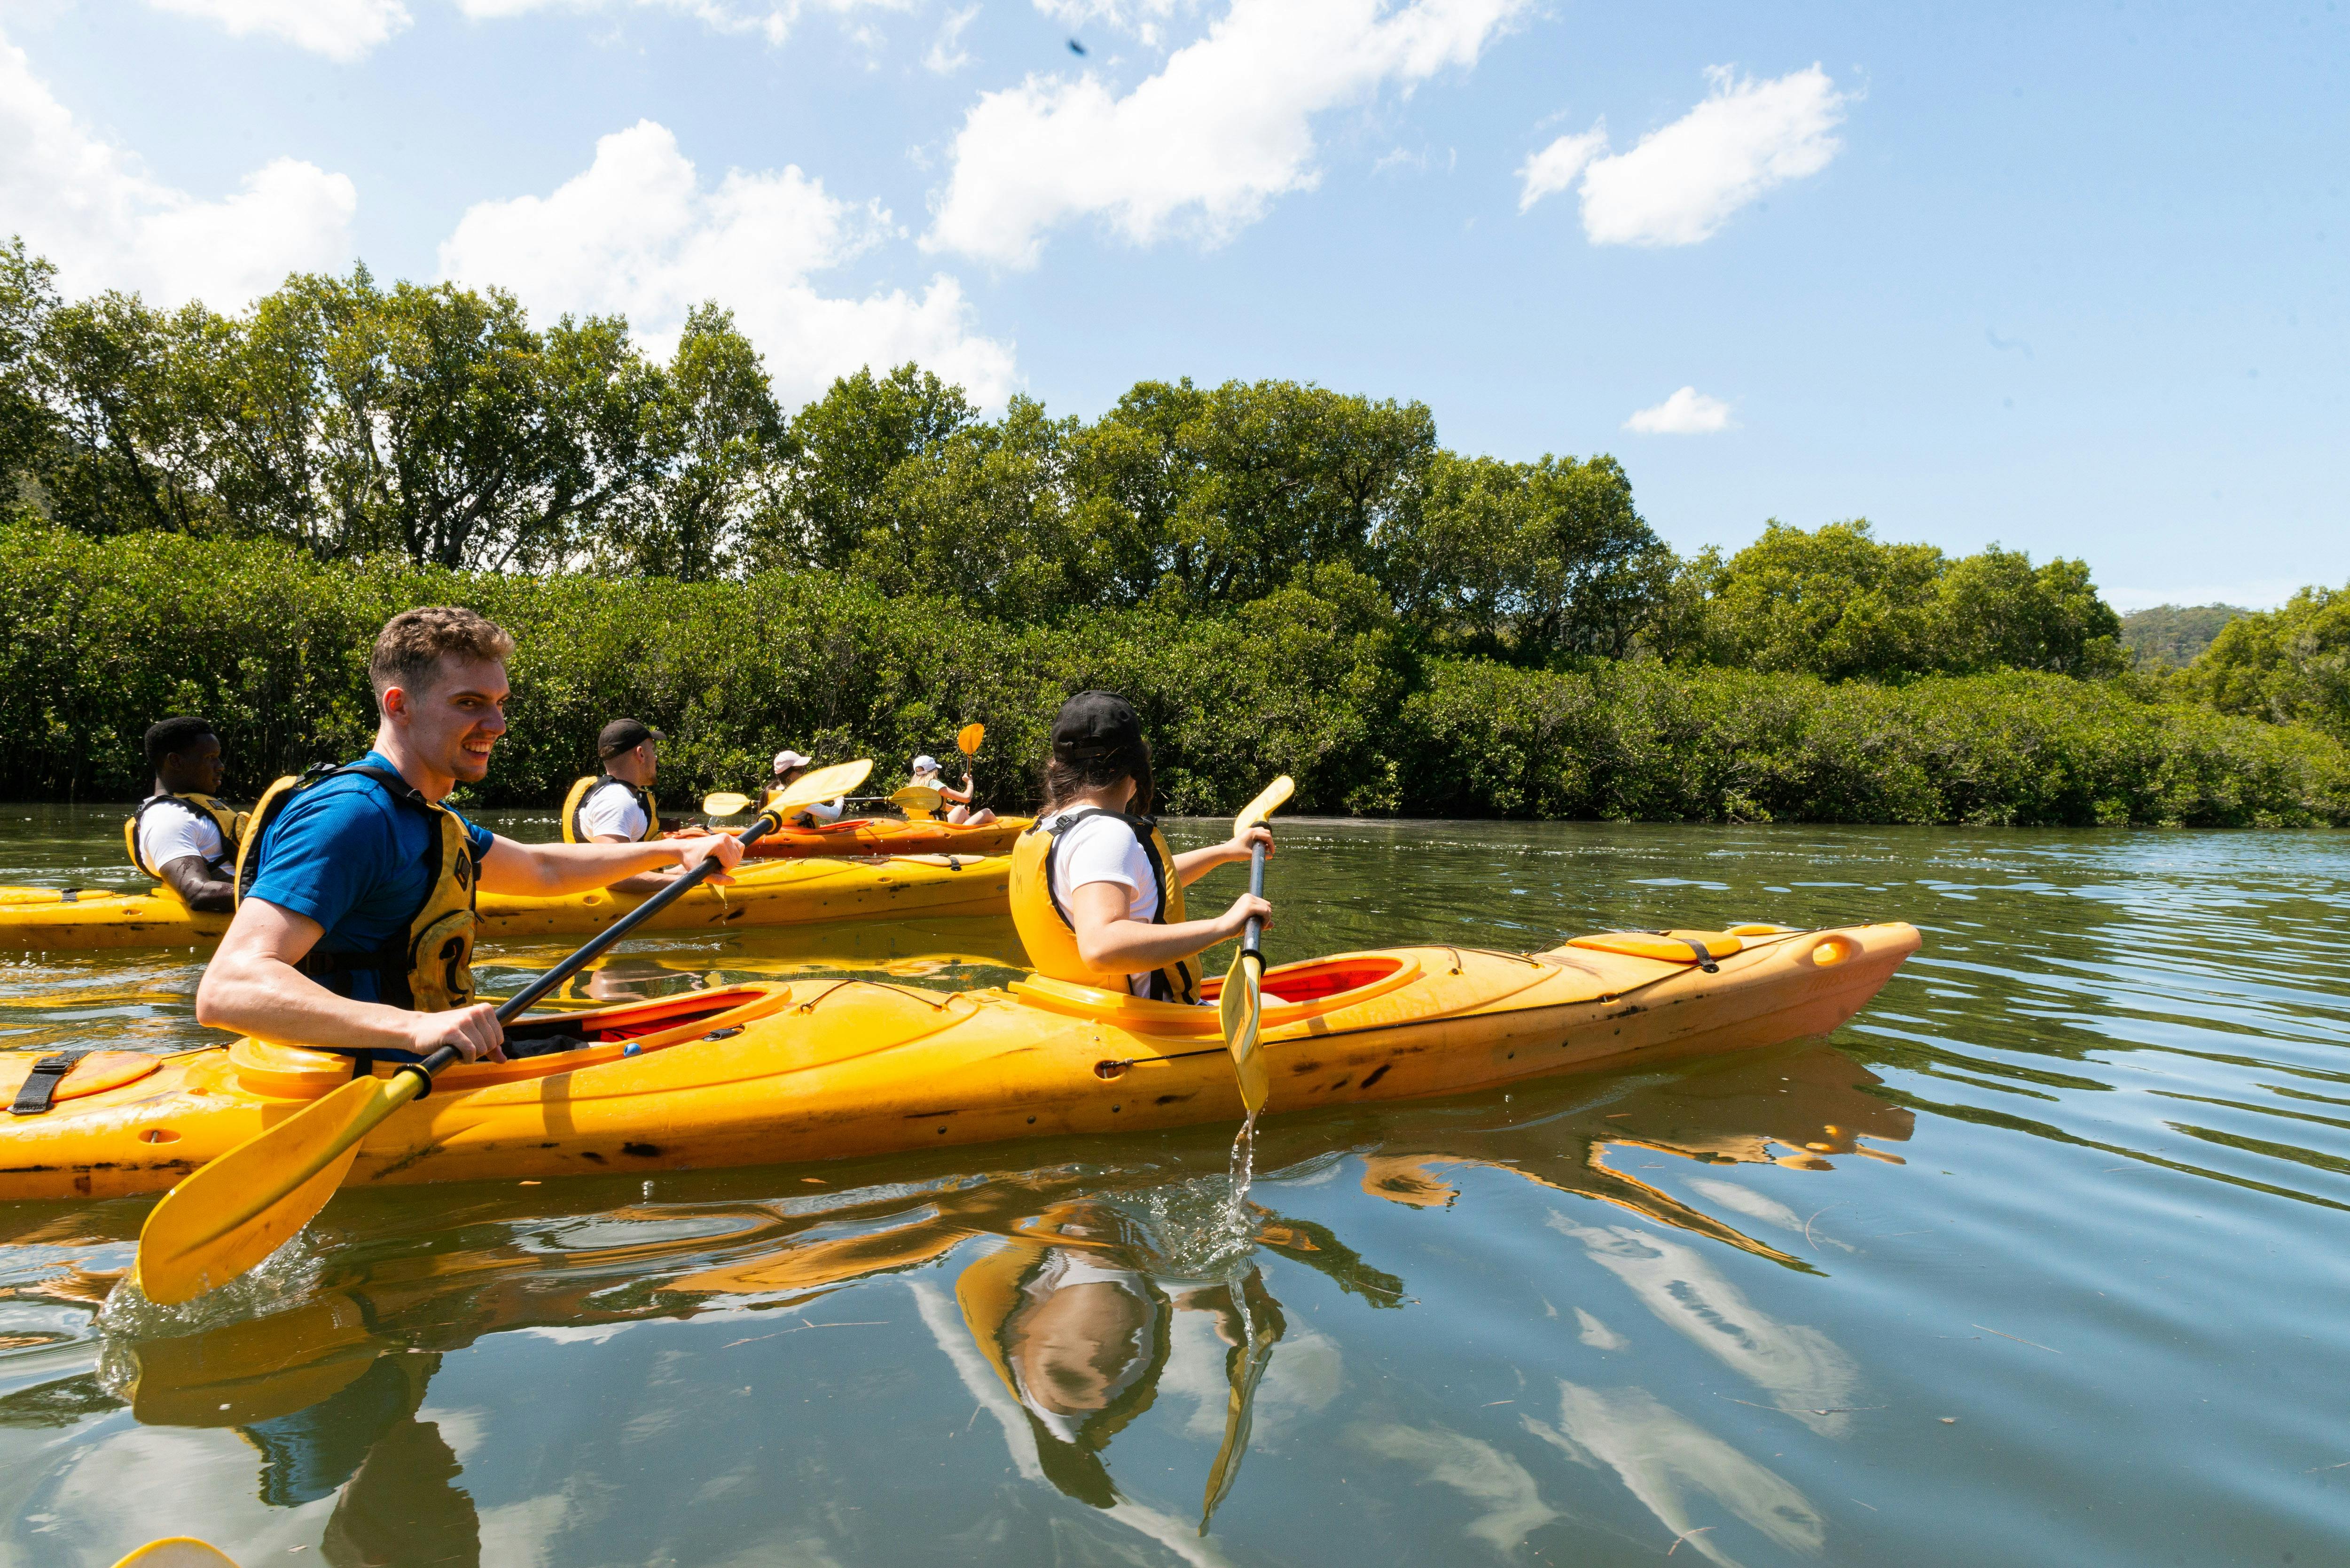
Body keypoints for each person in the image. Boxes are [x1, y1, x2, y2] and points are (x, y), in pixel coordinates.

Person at [195, 607, 745, 1065]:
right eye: (469, 703)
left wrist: (678, 848)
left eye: (499, 703)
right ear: (399, 705)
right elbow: (230, 988)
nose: (498, 726)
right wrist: (412, 1029)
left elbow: (541, 869)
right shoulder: (352, 817)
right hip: (376, 1076)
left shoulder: (426, 813)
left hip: (430, 1059)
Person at [1007, 690, 1270, 1003]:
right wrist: (1222, 926)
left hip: (1078, 1008)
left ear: (1058, 766)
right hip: (1152, 1023)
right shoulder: (1105, 832)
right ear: (1133, 769)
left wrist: (1224, 852)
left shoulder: (1054, 826)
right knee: (1278, 1004)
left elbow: (1142, 883)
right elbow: (1102, 947)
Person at [125, 717, 245, 913]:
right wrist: (291, 894)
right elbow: (199, 893)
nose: (220, 766)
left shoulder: (196, 810)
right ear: (176, 761)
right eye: (210, 758)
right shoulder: (167, 818)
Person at [560, 718, 669, 843]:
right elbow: (609, 861)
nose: (655, 758)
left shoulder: (607, 794)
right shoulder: (618, 802)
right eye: (652, 750)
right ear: (641, 754)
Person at [910, 754, 997, 828]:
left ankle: (968, 838)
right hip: (940, 829)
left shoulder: (913, 788)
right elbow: (967, 798)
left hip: (926, 828)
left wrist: (956, 808)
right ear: (934, 771)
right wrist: (970, 782)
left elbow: (937, 806)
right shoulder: (933, 784)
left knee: (961, 810)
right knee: (988, 812)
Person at [768, 749, 846, 829]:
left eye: (805, 768)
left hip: (783, 833)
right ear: (788, 775)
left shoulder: (773, 789)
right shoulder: (799, 796)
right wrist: (839, 800)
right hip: (801, 838)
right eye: (801, 770)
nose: (805, 772)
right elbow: (832, 815)